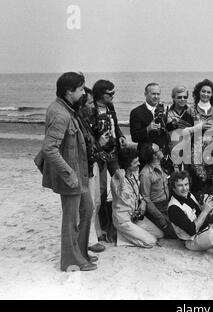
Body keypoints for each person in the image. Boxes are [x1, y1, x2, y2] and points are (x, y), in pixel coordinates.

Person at [34, 72, 97, 272]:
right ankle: (71, 260)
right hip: (71, 175)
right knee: (70, 219)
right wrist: (69, 174)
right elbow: (49, 148)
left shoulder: (66, 107)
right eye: (80, 89)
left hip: (81, 173)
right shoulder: (61, 113)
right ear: (69, 91)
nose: (83, 93)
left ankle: (81, 253)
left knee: (87, 209)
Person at [77, 87, 110, 253]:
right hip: (86, 168)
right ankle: (89, 240)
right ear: (81, 105)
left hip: (94, 165)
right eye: (89, 103)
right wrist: (100, 144)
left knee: (96, 200)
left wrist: (99, 144)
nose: (92, 106)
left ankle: (95, 232)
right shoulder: (78, 121)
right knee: (89, 203)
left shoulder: (86, 120)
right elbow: (84, 148)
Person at [111, 147, 164, 248]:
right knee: (151, 242)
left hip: (134, 217)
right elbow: (121, 197)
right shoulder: (116, 179)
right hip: (123, 220)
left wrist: (143, 202)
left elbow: (137, 194)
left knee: (159, 234)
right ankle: (121, 238)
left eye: (138, 160)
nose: (139, 163)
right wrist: (122, 180)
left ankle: (128, 233)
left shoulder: (133, 175)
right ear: (127, 165)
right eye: (135, 162)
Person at [186, 79, 213, 204]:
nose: (205, 94)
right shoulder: (190, 111)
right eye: (203, 91)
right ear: (198, 92)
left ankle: (211, 209)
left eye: (208, 92)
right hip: (194, 154)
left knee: (212, 182)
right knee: (197, 182)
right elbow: (182, 131)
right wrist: (197, 128)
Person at [139, 143, 177, 238]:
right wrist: (159, 217)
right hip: (157, 209)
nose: (162, 150)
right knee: (175, 234)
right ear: (154, 156)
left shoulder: (163, 165)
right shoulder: (145, 174)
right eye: (159, 149)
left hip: (168, 205)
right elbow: (146, 199)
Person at [129, 82, 169, 160]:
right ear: (145, 94)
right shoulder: (137, 112)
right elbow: (134, 137)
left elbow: (166, 131)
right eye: (153, 94)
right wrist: (148, 129)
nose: (156, 97)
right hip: (146, 156)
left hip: (163, 154)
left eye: (158, 94)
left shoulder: (164, 110)